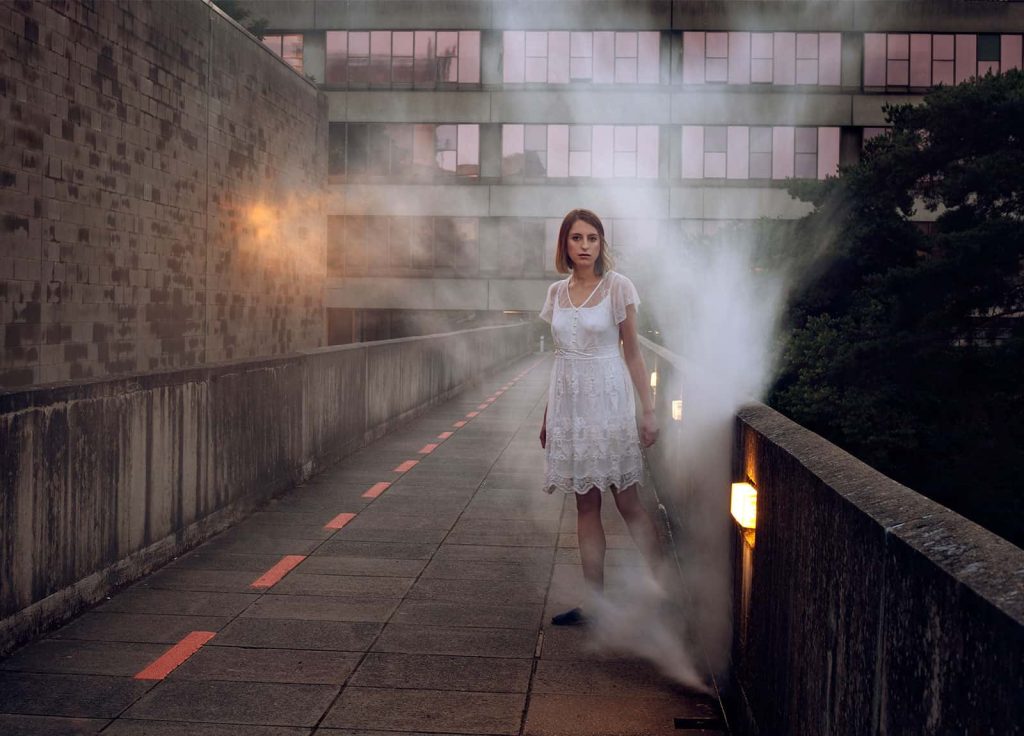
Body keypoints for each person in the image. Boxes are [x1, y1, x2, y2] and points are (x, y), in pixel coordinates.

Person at [539, 208, 662, 626]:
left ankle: (664, 592)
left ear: (601, 243)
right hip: (570, 409)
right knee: (585, 506)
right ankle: (595, 603)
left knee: (627, 501)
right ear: (565, 244)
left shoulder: (618, 287)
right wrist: (547, 416)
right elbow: (559, 360)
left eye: (592, 238)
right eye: (577, 238)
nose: (585, 246)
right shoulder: (556, 292)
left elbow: (633, 353)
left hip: (609, 403)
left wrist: (648, 411)